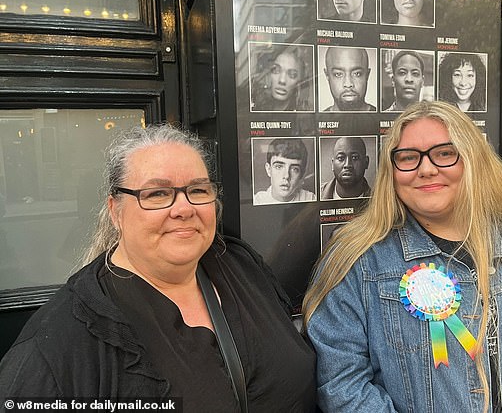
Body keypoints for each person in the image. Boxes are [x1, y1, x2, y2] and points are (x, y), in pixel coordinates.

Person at [304, 101, 502, 412]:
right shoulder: (357, 262)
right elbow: (342, 384)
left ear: (474, 160)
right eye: (408, 158)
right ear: (392, 174)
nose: (426, 169)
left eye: (444, 153)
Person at [0, 125, 316, 412]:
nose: (184, 208)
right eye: (157, 194)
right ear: (115, 211)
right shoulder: (61, 344)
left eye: (198, 190)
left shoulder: (240, 266)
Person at [254, 138, 316, 204]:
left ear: (302, 174)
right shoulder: (257, 201)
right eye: (279, 167)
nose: (286, 176)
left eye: (294, 169)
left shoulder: (311, 199)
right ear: (268, 169)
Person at [252, 45, 313, 112]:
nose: (282, 80)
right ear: (269, 74)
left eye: (292, 74)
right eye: (276, 70)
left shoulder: (303, 114)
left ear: (299, 81)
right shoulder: (259, 108)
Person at [322, 47, 376, 112]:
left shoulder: (383, 117)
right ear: (327, 75)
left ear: (367, 75)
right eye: (338, 74)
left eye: (357, 73)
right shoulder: (317, 120)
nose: (348, 84)